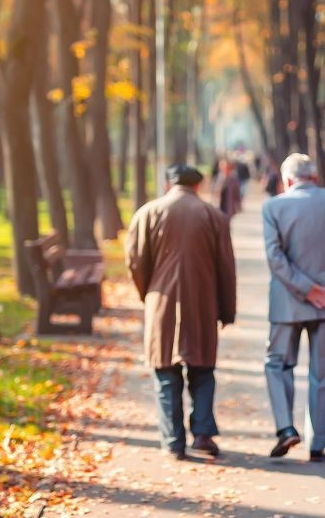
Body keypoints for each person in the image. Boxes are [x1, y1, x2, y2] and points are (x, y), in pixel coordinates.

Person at [125, 165, 237, 461]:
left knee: (165, 373)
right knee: (202, 371)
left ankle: (173, 442)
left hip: (161, 303)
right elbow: (226, 268)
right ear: (198, 186)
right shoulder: (214, 216)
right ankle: (202, 433)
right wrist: (227, 310)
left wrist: (149, 293)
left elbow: (135, 262)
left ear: (167, 183)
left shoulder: (148, 213)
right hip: (202, 303)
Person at [262, 153, 325, 463]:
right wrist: (316, 287)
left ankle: (286, 429)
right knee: (322, 373)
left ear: (287, 181)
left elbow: (275, 259)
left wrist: (304, 287)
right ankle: (317, 444)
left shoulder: (273, 206)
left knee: (277, 364)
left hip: (287, 301)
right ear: (315, 178)